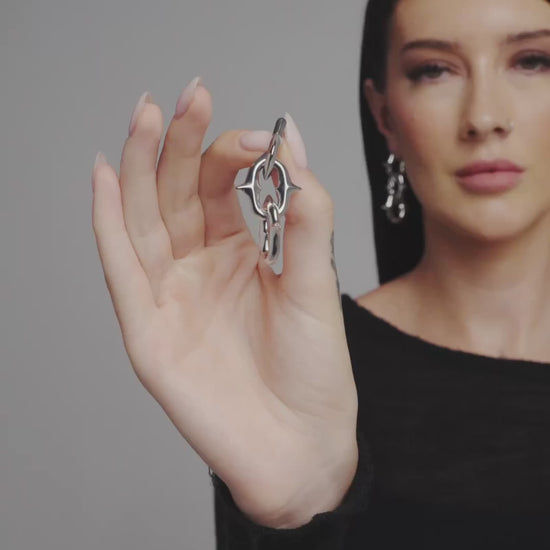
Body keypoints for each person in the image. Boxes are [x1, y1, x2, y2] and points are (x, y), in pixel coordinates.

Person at [91, 0, 550, 547]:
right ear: (384, 115)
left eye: (532, 60)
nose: (484, 117)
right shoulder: (293, 371)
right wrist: (297, 511)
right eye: (434, 70)